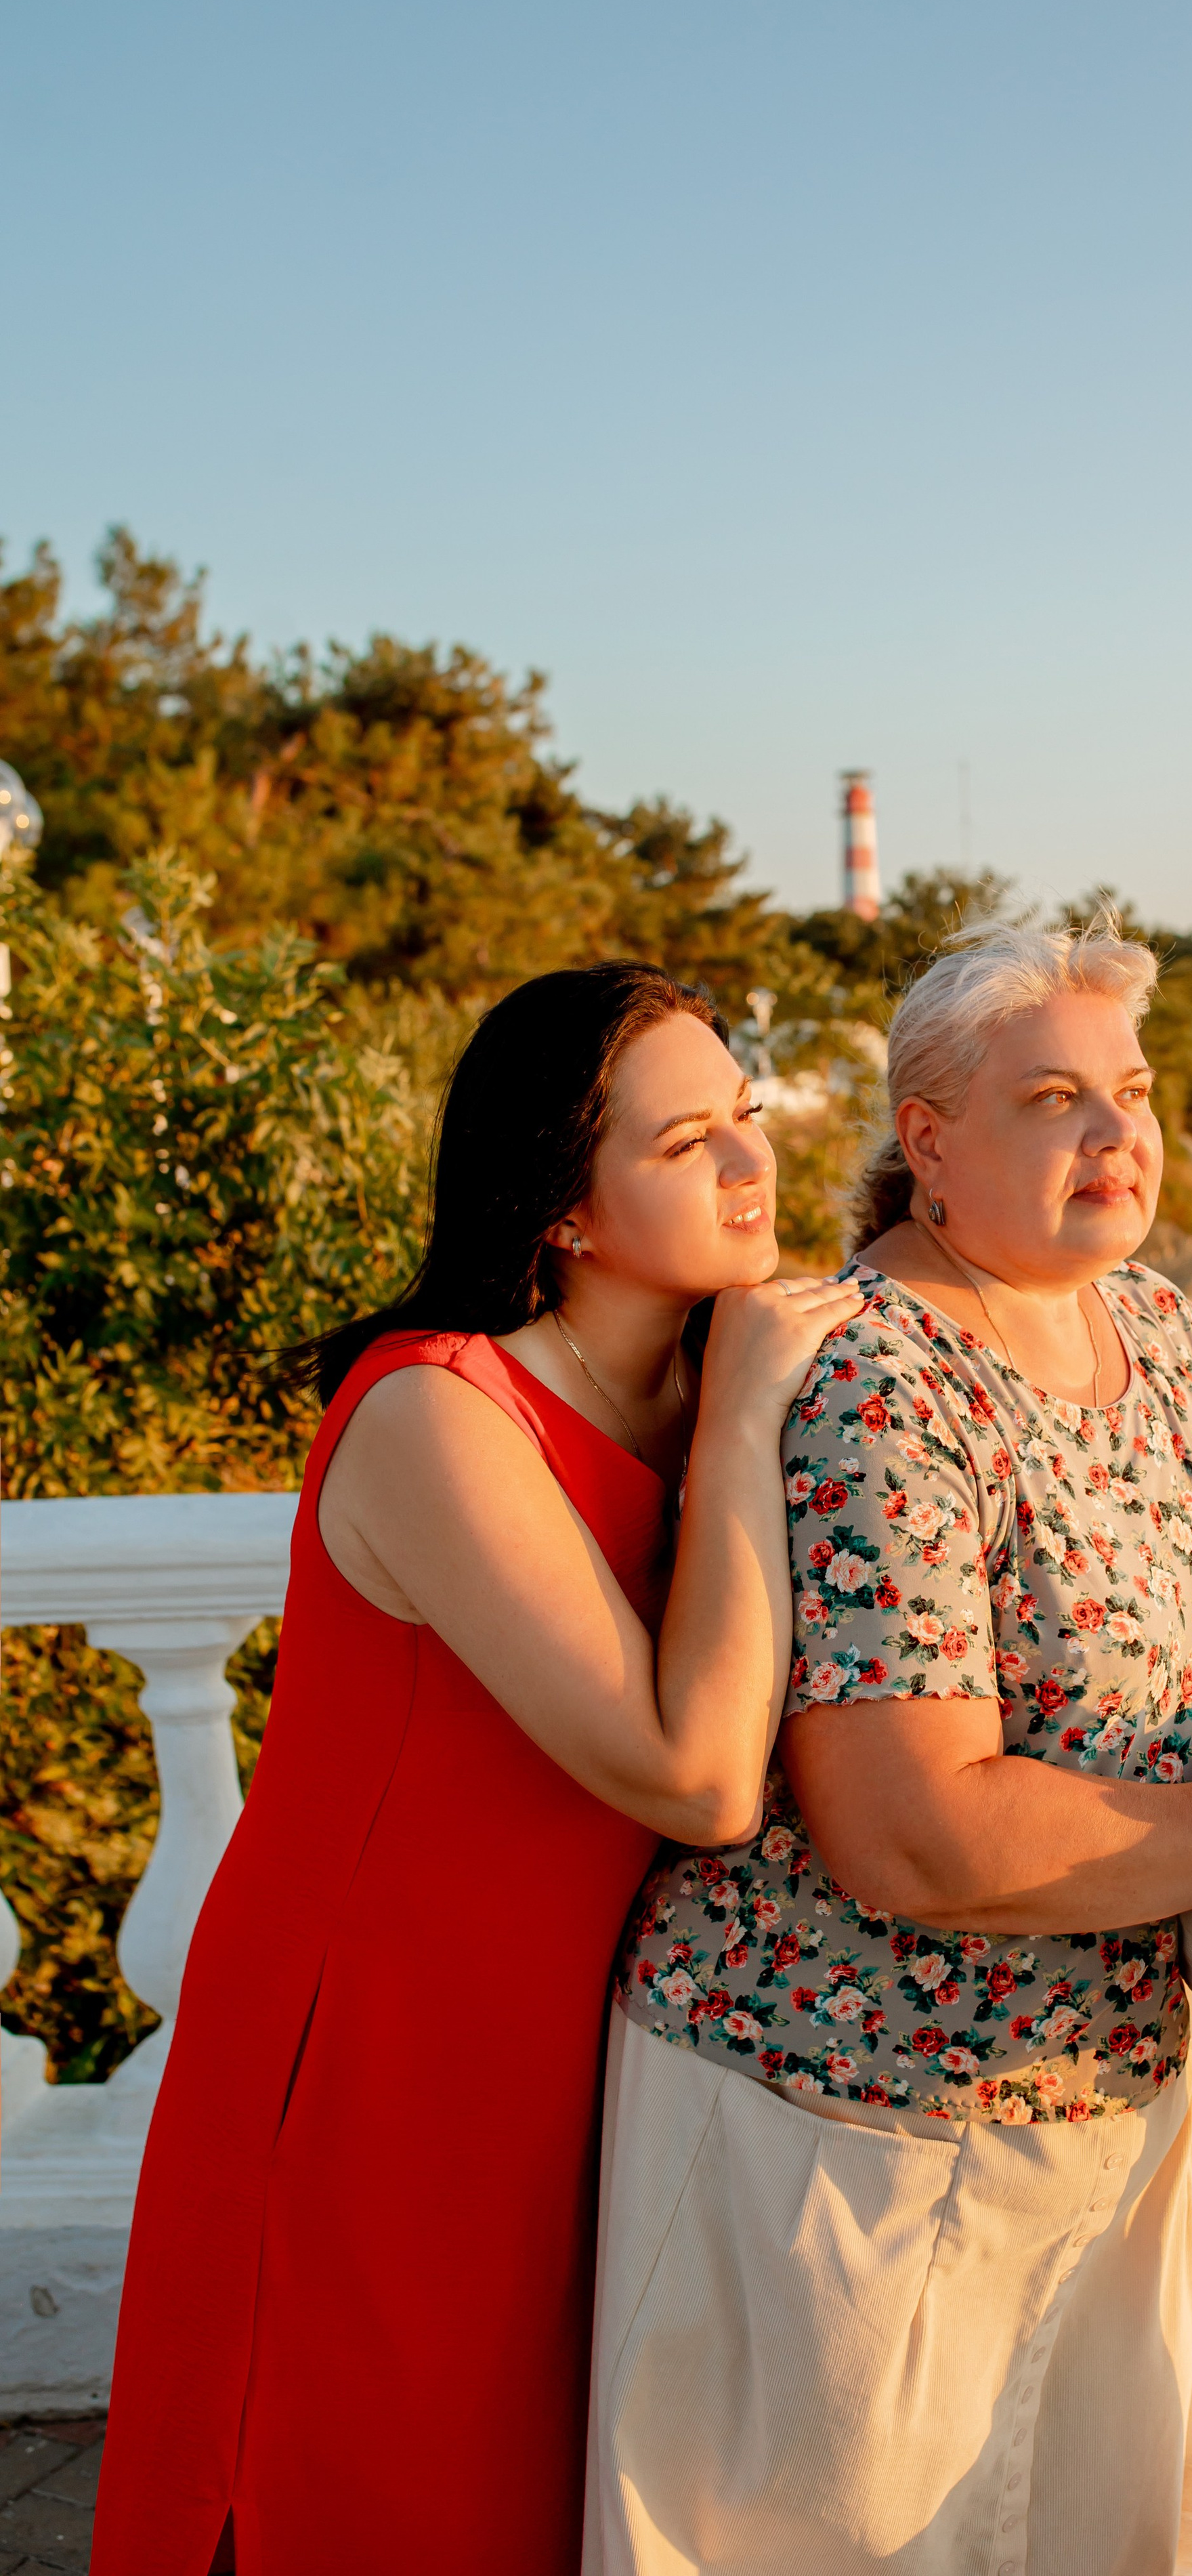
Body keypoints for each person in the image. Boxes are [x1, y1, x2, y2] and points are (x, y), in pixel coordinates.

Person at [590, 914, 1192, 2576]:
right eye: (1054, 1098)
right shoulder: (872, 1384)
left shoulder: (1158, 1330)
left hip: (1102, 2124)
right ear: (927, 1143)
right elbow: (912, 1834)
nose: (1119, 1133)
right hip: (848, 2149)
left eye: (1129, 1088)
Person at [92, 963, 861, 2576]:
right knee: (355, 2490)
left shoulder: (709, 1383)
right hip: (372, 2061)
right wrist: (735, 1434)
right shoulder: (441, 1415)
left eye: (749, 1117)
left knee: (526, 2498)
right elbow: (694, 1776)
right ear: (563, 1208)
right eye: (683, 1144)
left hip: (583, 2052)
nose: (748, 1167)